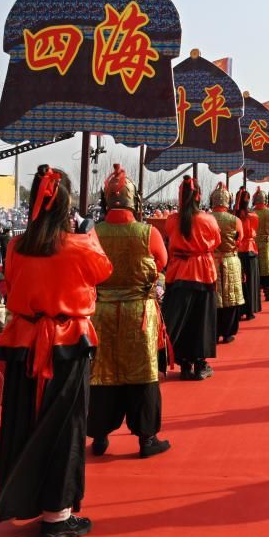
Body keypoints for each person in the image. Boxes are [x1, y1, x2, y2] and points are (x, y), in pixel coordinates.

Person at [0, 165, 113, 537]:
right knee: (66, 425)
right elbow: (103, 272)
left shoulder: (16, 246)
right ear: (66, 206)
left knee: (25, 419)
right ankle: (57, 515)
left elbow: (11, 282)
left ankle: (26, 498)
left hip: (24, 341)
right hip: (66, 341)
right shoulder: (79, 245)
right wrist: (88, 233)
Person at [88, 165, 170, 459]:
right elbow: (161, 262)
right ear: (135, 201)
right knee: (143, 373)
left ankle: (99, 435)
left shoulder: (94, 232)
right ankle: (147, 438)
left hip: (103, 312)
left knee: (102, 373)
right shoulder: (148, 233)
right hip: (139, 313)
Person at [162, 177, 221, 381]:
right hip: (202, 271)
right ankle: (200, 363)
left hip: (178, 271)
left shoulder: (172, 220)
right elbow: (216, 241)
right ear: (199, 196)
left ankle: (184, 363)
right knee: (202, 318)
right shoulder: (208, 220)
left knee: (180, 319)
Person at [210, 184, 245, 344]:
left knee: (214, 297)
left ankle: (213, 331)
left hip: (211, 260)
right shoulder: (235, 220)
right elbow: (239, 240)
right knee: (231, 297)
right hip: (230, 259)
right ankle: (228, 332)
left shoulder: (206, 218)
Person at [235, 187, 261, 321]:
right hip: (250, 249)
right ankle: (250, 310)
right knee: (250, 281)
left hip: (237, 250)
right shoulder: (253, 216)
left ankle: (239, 310)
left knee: (238, 282)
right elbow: (255, 229)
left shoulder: (234, 216)